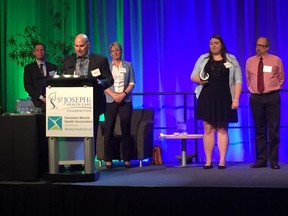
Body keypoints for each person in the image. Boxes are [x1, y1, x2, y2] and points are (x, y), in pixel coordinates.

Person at [191, 34, 242, 169]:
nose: (213, 45)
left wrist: (236, 99)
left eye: (216, 43)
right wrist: (199, 80)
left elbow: (238, 80)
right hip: (207, 96)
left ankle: (222, 160)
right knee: (208, 128)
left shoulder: (231, 59)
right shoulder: (203, 59)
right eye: (211, 43)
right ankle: (208, 161)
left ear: (221, 45)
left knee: (222, 128)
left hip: (225, 97)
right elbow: (193, 76)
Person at [61, 33, 114, 154]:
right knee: (73, 134)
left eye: (82, 46)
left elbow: (109, 79)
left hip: (92, 104)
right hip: (71, 105)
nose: (78, 49)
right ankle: (74, 162)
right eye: (76, 46)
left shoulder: (100, 60)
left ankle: (90, 162)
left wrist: (100, 83)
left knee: (91, 134)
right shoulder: (68, 60)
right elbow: (62, 78)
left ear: (88, 45)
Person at [246, 37, 285, 169]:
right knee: (259, 130)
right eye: (257, 45)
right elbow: (248, 79)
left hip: (272, 97)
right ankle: (261, 160)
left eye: (262, 46)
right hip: (256, 98)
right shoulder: (249, 61)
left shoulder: (276, 60)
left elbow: (281, 78)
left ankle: (274, 160)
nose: (259, 48)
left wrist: (272, 88)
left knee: (273, 129)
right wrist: (255, 90)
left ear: (267, 47)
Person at [103, 42, 135, 168]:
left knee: (126, 129)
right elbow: (103, 83)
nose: (115, 53)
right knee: (109, 128)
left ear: (121, 51)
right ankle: (108, 159)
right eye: (113, 51)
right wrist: (113, 95)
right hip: (110, 99)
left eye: (117, 50)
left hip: (125, 99)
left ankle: (126, 159)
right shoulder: (107, 66)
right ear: (110, 53)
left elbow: (132, 82)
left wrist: (123, 94)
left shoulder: (128, 65)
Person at [24, 43, 57, 112]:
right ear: (34, 53)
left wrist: (49, 97)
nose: (40, 52)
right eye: (37, 50)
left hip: (52, 101)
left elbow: (56, 83)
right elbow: (28, 86)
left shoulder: (53, 67)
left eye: (42, 50)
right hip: (36, 102)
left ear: (45, 52)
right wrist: (41, 97)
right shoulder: (29, 68)